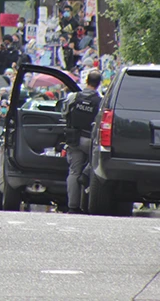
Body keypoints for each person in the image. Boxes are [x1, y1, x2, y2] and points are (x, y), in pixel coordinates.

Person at [64, 70, 102, 214]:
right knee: (94, 171)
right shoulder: (100, 101)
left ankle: (73, 206)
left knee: (73, 172)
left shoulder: (73, 97)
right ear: (98, 84)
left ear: (86, 80)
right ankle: (88, 205)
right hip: (92, 141)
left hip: (74, 139)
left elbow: (65, 114)